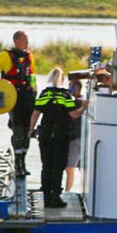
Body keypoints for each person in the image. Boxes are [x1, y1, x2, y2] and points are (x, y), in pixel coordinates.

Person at [30, 68, 79, 209]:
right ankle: (55, 197)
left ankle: (46, 197)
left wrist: (31, 130)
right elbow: (73, 115)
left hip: (45, 134)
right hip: (60, 135)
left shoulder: (44, 94)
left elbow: (35, 113)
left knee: (46, 166)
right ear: (62, 79)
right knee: (58, 166)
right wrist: (84, 108)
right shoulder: (65, 95)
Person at [3, 30, 36, 176]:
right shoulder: (5, 56)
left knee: (27, 131)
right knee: (18, 132)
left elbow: (32, 77)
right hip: (14, 99)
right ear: (16, 41)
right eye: (25, 40)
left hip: (28, 98)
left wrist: (35, 94)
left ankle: (23, 161)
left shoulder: (30, 56)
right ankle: (18, 164)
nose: (28, 43)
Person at [64, 76, 87, 194]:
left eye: (71, 86)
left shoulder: (78, 102)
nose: (69, 89)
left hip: (76, 139)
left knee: (69, 168)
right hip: (79, 137)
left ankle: (67, 192)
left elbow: (73, 115)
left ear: (76, 88)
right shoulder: (81, 101)